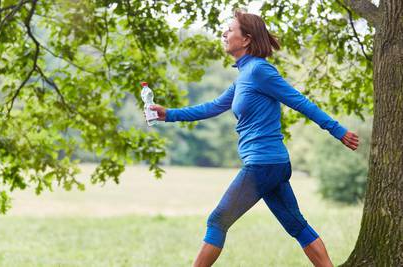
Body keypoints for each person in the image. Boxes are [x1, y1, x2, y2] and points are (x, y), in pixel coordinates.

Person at [148, 10, 359, 267]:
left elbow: (300, 102)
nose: (224, 34)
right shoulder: (243, 77)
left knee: (217, 221)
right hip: (271, 165)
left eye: (230, 30)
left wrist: (337, 131)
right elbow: (212, 107)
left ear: (246, 39)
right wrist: (168, 114)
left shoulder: (260, 71)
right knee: (297, 225)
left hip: (263, 164)